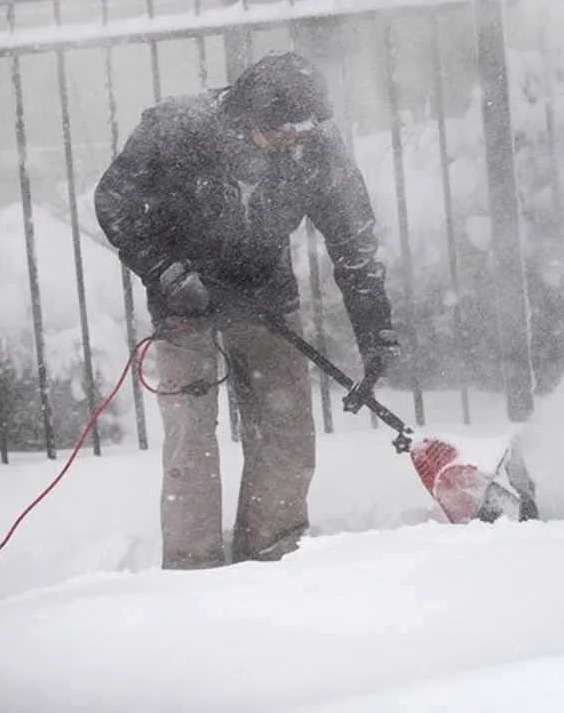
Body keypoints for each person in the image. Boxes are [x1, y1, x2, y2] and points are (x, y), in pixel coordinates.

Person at [94, 52, 400, 570]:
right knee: (191, 443)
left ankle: (273, 558)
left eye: (300, 134)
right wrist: (169, 272)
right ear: (244, 119)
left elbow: (355, 244)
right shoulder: (175, 131)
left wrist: (376, 336)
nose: (292, 144)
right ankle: (193, 569)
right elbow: (115, 202)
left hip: (265, 302)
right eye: (279, 134)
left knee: (286, 435)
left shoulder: (314, 149)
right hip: (186, 305)